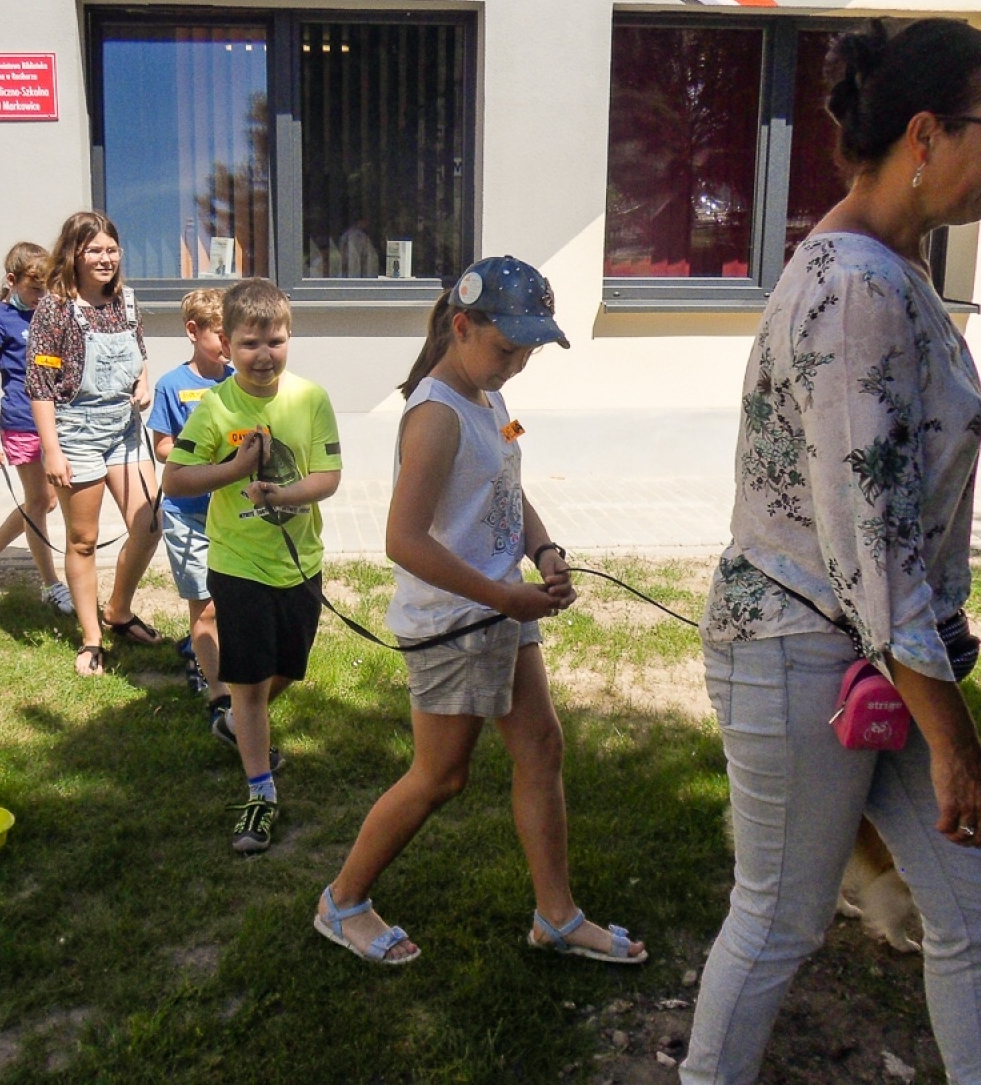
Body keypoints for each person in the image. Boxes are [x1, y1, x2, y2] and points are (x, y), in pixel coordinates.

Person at [682, 17, 981, 1084]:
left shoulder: (890, 269)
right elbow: (869, 549)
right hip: (802, 654)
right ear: (925, 132)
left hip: (869, 658)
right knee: (781, 917)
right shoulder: (854, 291)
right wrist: (956, 744)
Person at [314, 256, 647, 967]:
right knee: (441, 776)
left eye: (528, 351)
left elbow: (508, 482)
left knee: (542, 747)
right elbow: (401, 541)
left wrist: (545, 549)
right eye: (506, 348)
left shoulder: (492, 404)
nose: (518, 364)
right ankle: (342, 902)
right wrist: (505, 595)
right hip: (456, 624)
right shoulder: (435, 416)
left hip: (500, 609)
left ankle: (556, 917)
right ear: (461, 327)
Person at [161, 278, 342, 854]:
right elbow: (176, 479)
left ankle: (241, 723)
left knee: (286, 668)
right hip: (238, 566)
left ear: (289, 339)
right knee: (247, 679)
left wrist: (283, 496)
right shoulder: (215, 406)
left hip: (300, 563)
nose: (264, 355)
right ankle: (259, 792)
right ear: (226, 343)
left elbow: (328, 477)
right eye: (249, 344)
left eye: (276, 341)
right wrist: (237, 470)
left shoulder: (311, 399)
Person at [26, 211, 165, 677]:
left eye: (111, 249)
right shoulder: (54, 309)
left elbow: (140, 353)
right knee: (83, 540)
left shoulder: (125, 301)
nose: (105, 259)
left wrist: (144, 384)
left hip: (125, 428)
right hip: (76, 433)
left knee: (149, 524)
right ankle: (90, 638)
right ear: (74, 254)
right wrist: (52, 450)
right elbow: (41, 384)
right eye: (95, 250)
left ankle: (119, 610)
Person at [0, 241, 73, 615]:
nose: (42, 296)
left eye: (47, 288)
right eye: (34, 288)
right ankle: (51, 585)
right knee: (41, 502)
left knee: (46, 501)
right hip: (21, 425)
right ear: (12, 280)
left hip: (56, 425)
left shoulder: (51, 314)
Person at [145, 287, 234, 713]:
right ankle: (216, 689)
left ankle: (210, 655)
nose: (229, 344)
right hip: (187, 514)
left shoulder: (238, 382)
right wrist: (204, 452)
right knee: (204, 601)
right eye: (221, 334)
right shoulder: (171, 385)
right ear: (193, 331)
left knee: (227, 599)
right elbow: (162, 447)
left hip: (231, 514)